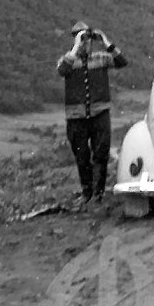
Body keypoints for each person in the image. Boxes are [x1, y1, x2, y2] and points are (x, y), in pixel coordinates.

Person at [57, 21, 128, 207]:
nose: (85, 42)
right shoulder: (68, 60)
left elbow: (121, 61)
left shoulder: (101, 58)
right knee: (81, 157)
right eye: (81, 38)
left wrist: (106, 42)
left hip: (99, 114)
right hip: (76, 117)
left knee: (101, 154)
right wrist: (75, 48)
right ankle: (87, 193)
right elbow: (62, 71)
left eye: (87, 38)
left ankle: (98, 194)